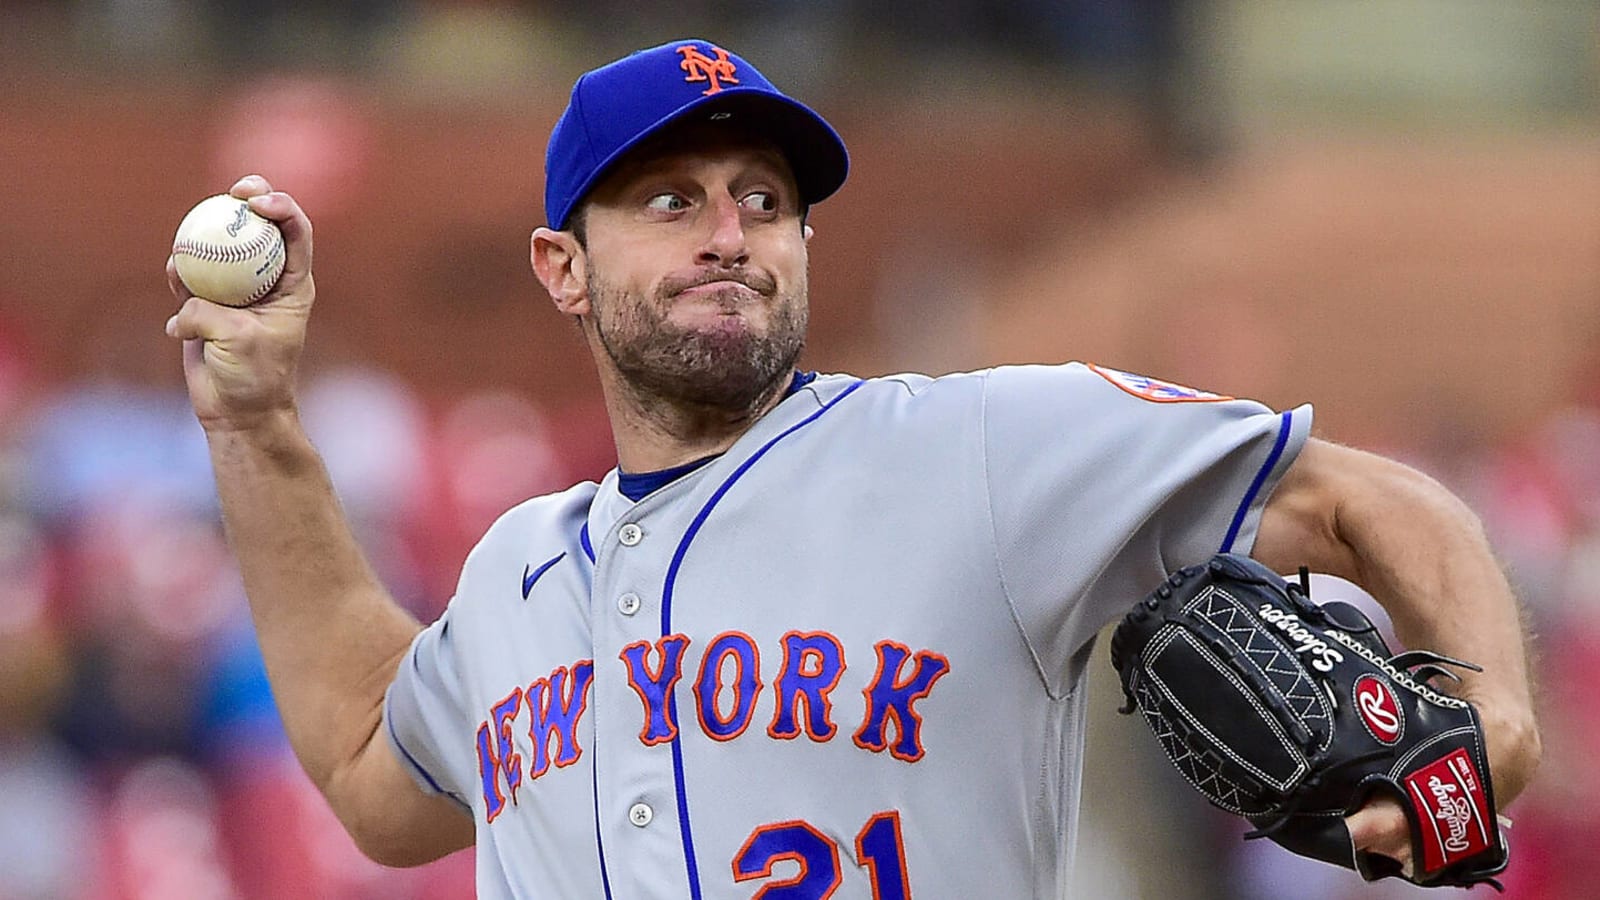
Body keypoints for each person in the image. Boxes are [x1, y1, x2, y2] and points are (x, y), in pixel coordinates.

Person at [164, 39, 1539, 899]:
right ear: (561, 268)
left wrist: (1496, 722)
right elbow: (364, 763)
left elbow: (1374, 502)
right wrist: (253, 425)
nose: (729, 232)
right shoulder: (519, 570)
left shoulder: (982, 450)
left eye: (765, 201)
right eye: (670, 200)